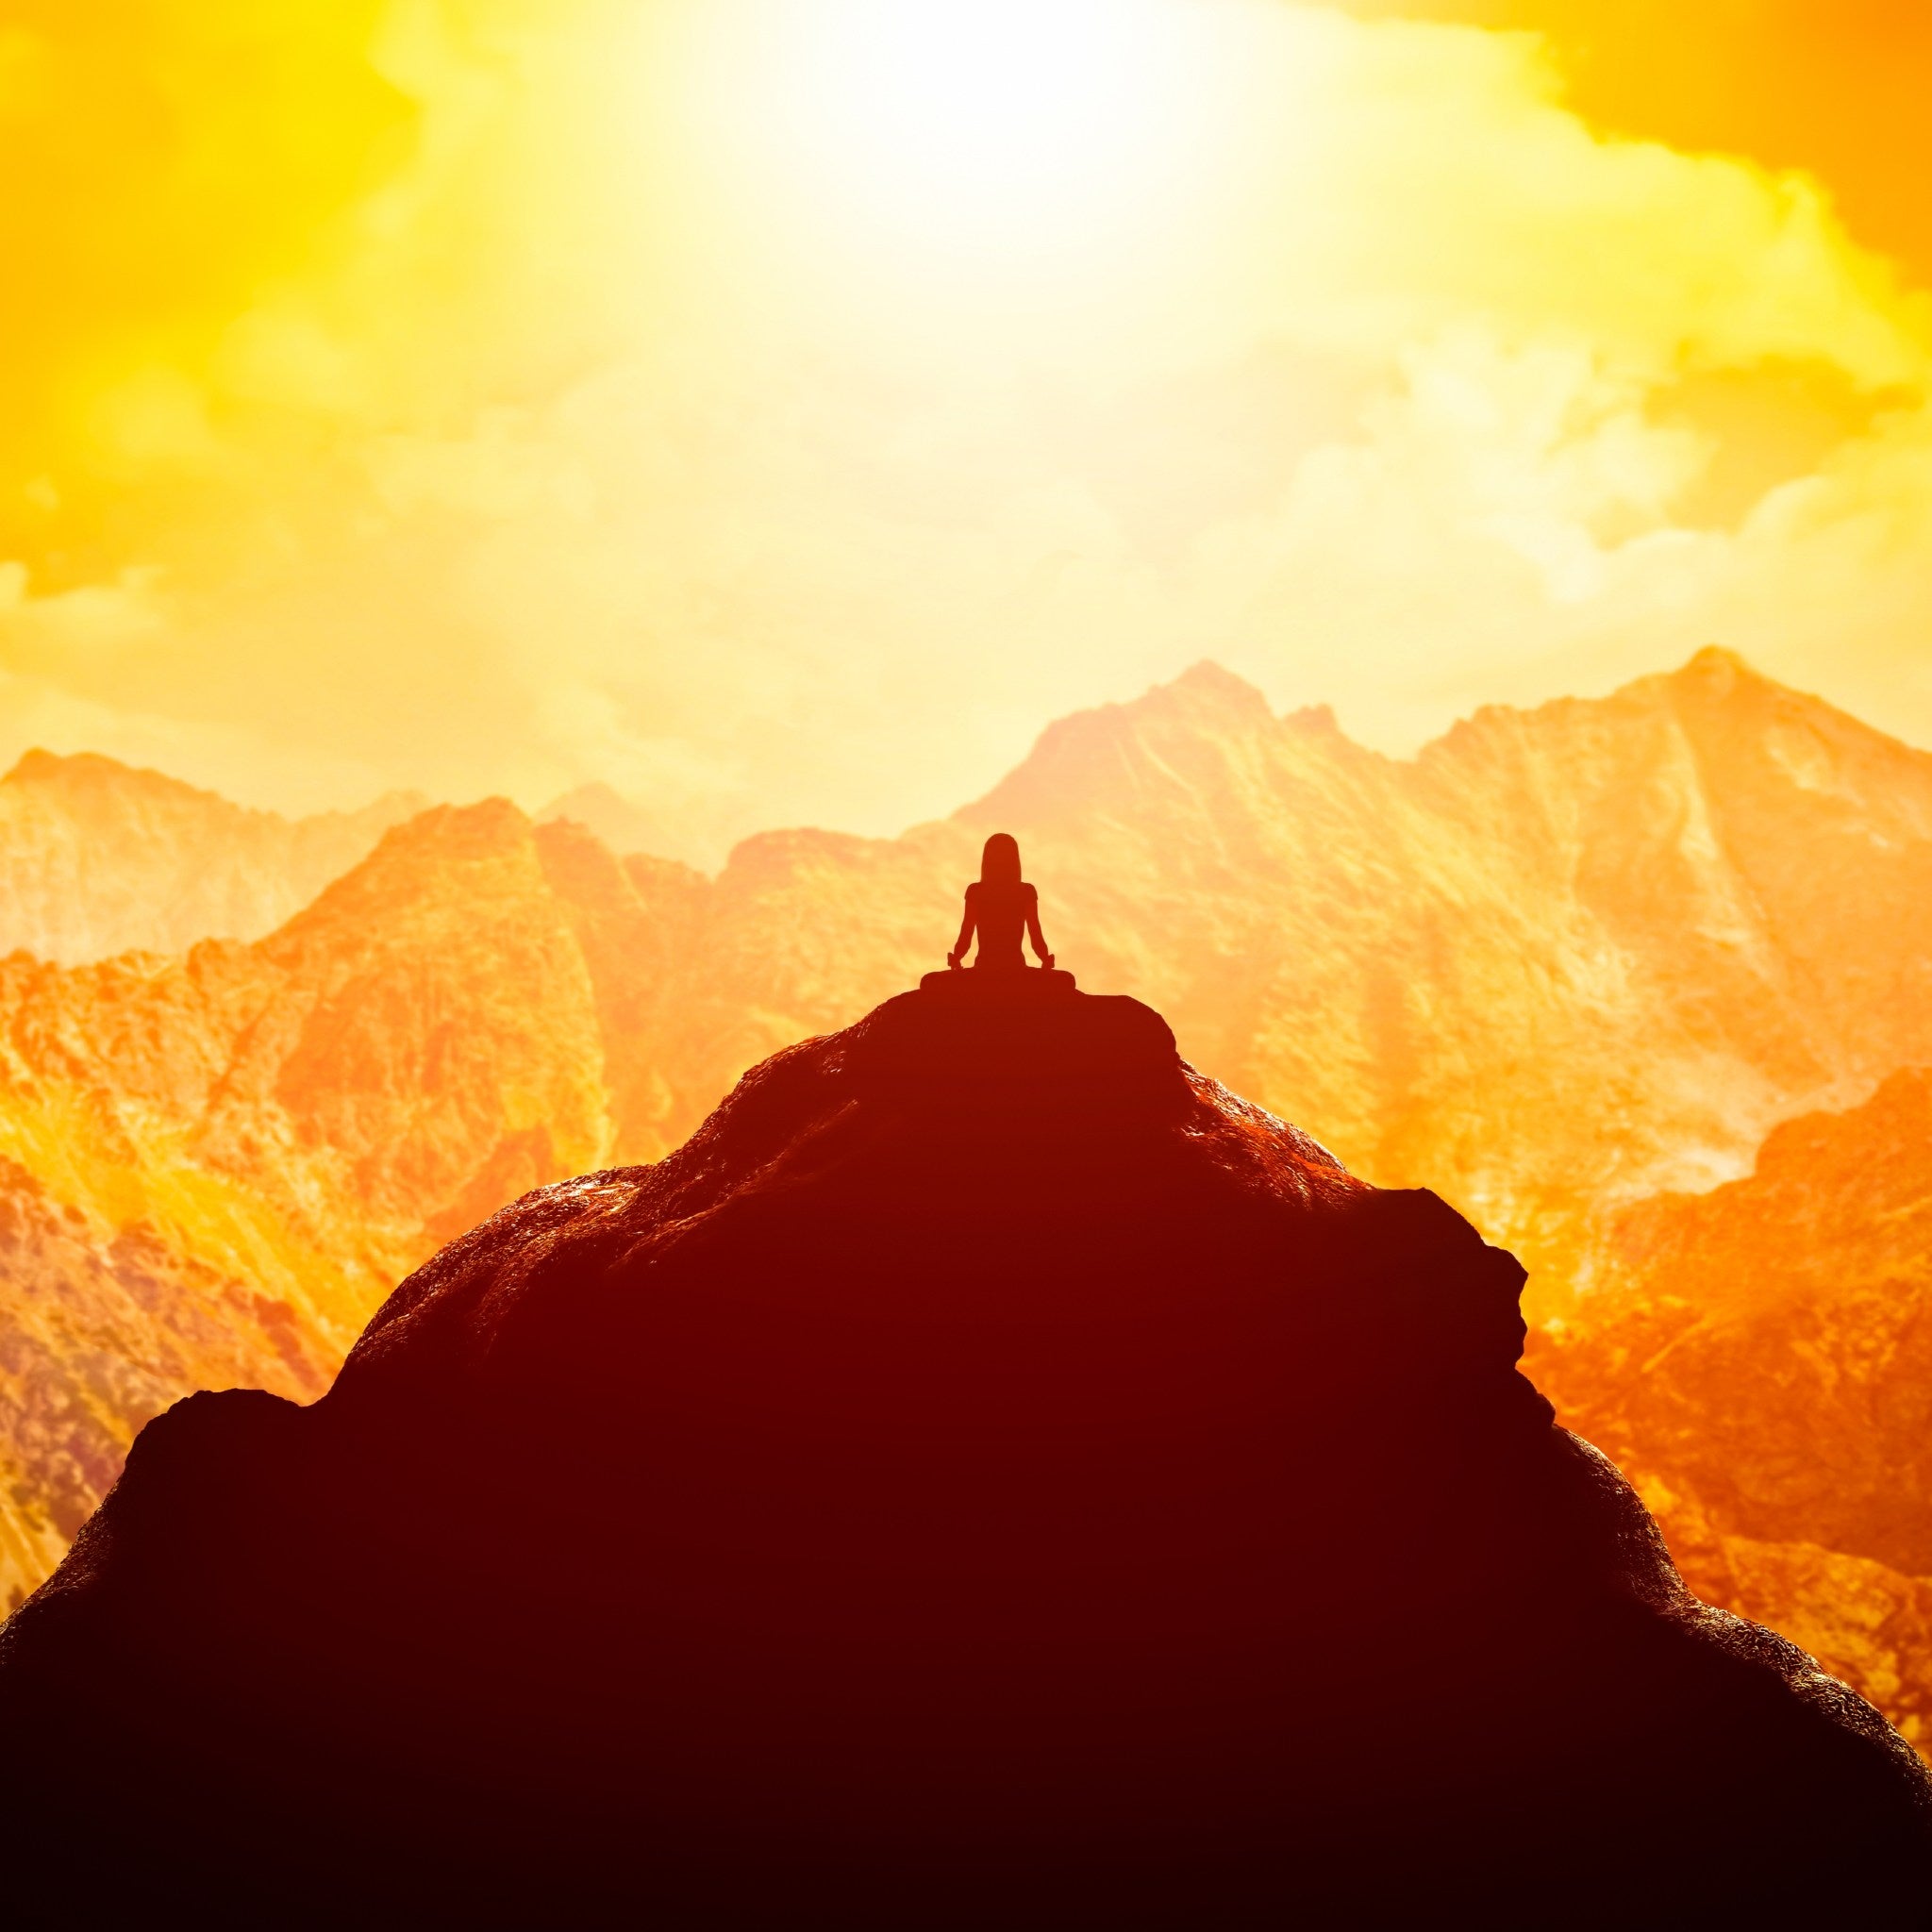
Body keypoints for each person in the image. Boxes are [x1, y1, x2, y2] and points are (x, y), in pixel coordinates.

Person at [948, 833, 1054, 973]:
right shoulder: (1026, 891)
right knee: (1065, 979)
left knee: (930, 980)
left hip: (986, 967)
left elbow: (966, 935)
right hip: (1013, 967)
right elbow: (1035, 935)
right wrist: (1045, 959)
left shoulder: (976, 891)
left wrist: (956, 958)